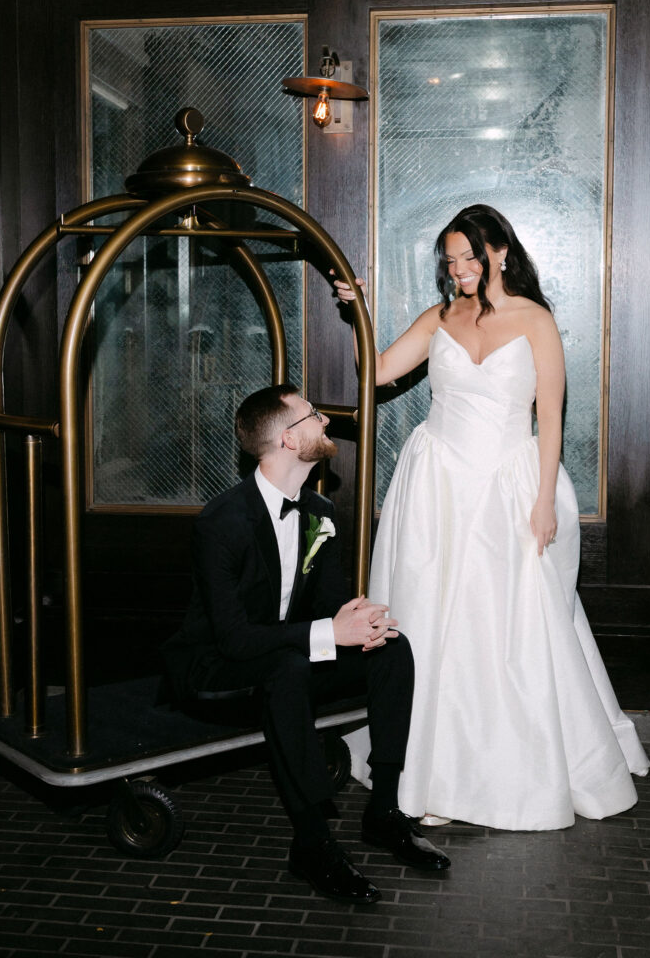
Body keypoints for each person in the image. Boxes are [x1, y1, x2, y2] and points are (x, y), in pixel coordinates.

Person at [334, 203, 650, 831]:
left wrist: (542, 501)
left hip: (506, 485)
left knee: (504, 626)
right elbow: (376, 375)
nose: (460, 270)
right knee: (429, 621)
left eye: (470, 257)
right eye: (450, 261)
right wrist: (356, 314)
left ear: (501, 251)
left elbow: (551, 418)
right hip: (437, 485)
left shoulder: (536, 321)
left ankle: (505, 769)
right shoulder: (439, 317)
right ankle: (429, 767)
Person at [163, 383, 450, 905]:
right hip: (217, 668)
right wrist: (326, 634)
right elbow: (232, 639)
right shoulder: (220, 523)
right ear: (289, 442)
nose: (325, 421)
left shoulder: (319, 510)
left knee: (393, 648)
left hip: (288, 655)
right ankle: (313, 843)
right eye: (313, 416)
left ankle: (383, 813)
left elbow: (328, 609)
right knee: (286, 670)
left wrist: (354, 623)